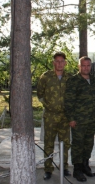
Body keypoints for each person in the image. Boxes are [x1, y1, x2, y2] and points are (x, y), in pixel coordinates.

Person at [37, 52, 72, 180]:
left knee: (65, 143)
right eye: (57, 61)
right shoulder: (45, 77)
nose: (59, 64)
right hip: (50, 116)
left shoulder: (69, 78)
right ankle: (48, 169)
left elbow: (73, 95)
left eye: (62, 61)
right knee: (49, 143)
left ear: (65, 63)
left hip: (65, 116)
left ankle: (64, 167)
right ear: (53, 63)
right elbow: (40, 94)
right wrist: (48, 105)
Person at [64, 56, 95, 182]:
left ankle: (85, 166)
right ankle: (77, 170)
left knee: (88, 143)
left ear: (90, 66)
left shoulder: (94, 80)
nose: (86, 68)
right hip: (78, 120)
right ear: (79, 66)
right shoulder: (73, 81)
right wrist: (71, 118)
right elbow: (68, 101)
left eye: (88, 65)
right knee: (78, 145)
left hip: (91, 119)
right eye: (83, 65)